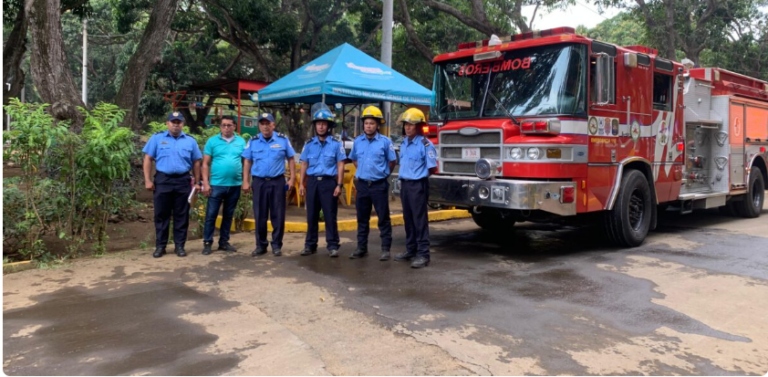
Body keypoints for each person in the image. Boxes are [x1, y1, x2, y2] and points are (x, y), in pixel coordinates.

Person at [142, 111, 202, 258]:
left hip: (183, 181)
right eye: (173, 122)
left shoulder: (190, 141)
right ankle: (160, 246)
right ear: (167, 123)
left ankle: (179, 246)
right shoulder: (157, 138)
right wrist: (148, 180)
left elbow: (196, 162)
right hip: (163, 180)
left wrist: (198, 182)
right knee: (162, 214)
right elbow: (148, 159)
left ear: (183, 124)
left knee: (182, 215)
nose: (176, 125)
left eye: (179, 122)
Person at [241, 113, 296, 257]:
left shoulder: (282, 140)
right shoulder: (253, 141)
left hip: (277, 181)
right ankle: (261, 245)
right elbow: (247, 161)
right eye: (262, 123)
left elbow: (291, 159)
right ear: (259, 125)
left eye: (268, 123)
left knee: (278, 214)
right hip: (259, 182)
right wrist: (245, 181)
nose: (265, 126)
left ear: (273, 125)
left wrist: (292, 179)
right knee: (260, 215)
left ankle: (277, 245)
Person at [348, 106, 397, 261]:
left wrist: (381, 174)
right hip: (362, 185)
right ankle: (361, 247)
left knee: (383, 218)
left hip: (379, 185)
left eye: (372, 123)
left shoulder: (385, 142)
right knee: (362, 218)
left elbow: (392, 161)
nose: (368, 126)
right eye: (366, 123)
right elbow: (354, 159)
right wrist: (363, 171)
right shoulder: (357, 141)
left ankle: (385, 249)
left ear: (377, 125)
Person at [299, 104, 347, 258]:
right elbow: (304, 164)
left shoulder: (336, 144)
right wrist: (301, 184)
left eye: (323, 124)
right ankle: (310, 245)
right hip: (312, 182)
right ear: (315, 126)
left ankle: (333, 245)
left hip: (328, 183)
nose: (320, 127)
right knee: (311, 215)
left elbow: (340, 165)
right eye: (318, 124)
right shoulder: (308, 144)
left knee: (329, 215)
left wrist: (339, 184)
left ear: (329, 126)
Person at [395, 108, 437, 269]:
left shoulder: (425, 144)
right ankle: (410, 250)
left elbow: (432, 167)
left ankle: (423, 254)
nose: (407, 127)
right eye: (406, 124)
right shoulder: (404, 143)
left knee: (419, 221)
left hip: (418, 185)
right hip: (405, 185)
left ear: (419, 126)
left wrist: (418, 178)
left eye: (411, 125)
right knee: (408, 219)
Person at [200, 115, 246, 255]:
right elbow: (205, 164)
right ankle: (208, 242)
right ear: (220, 127)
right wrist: (206, 183)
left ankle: (224, 242)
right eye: (223, 125)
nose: (226, 128)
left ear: (234, 127)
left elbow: (246, 163)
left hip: (234, 185)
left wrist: (245, 181)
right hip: (216, 185)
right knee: (211, 214)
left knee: (228, 215)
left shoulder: (241, 142)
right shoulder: (212, 141)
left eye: (229, 125)